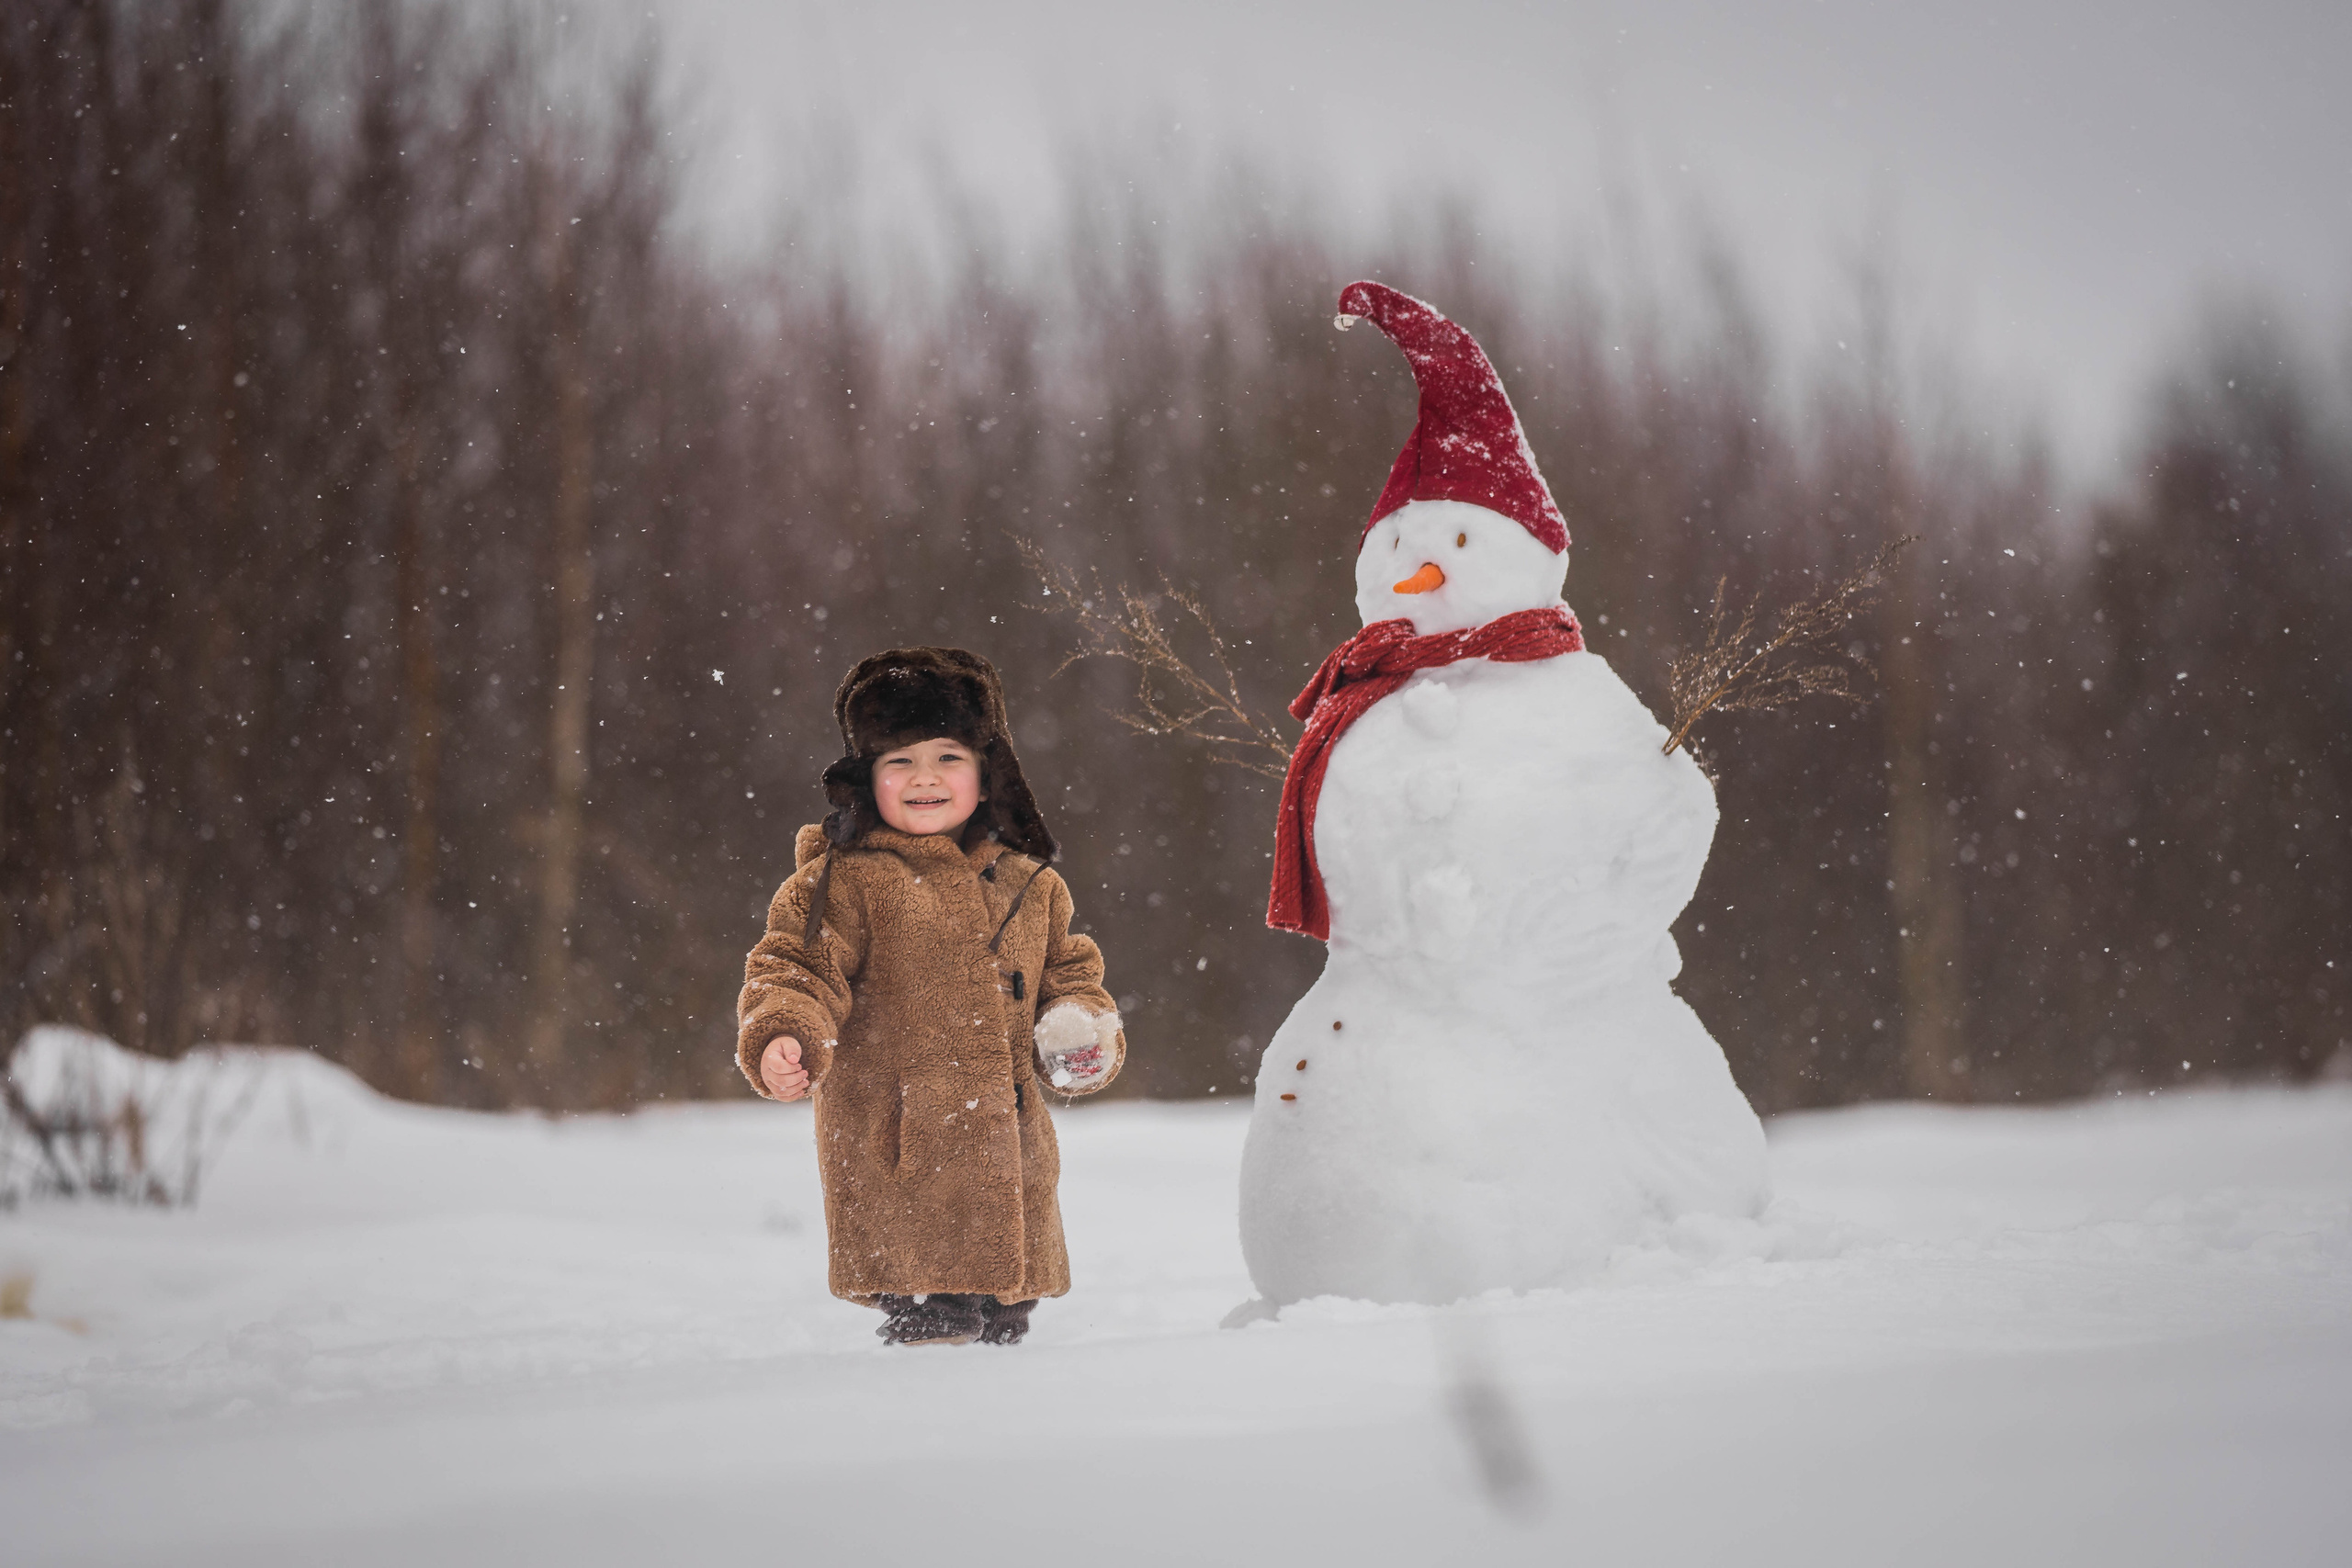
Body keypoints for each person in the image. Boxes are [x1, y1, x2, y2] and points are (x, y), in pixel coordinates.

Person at [736, 647, 1126, 1346]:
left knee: (1002, 1329)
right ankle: (920, 1397)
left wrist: (1078, 1033)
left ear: (986, 772)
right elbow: (796, 966)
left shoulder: (1031, 885)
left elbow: (1070, 977)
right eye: (900, 761)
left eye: (948, 756)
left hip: (1012, 1166)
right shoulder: (844, 882)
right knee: (934, 1324)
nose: (925, 777)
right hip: (903, 1155)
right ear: (867, 778)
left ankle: (997, 1400)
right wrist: (783, 1031)